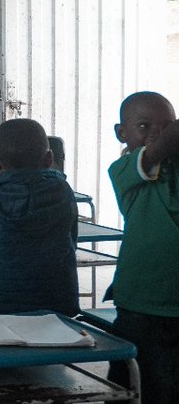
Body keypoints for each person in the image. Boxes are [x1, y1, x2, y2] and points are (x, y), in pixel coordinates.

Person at [106, 91, 179, 403]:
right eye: (144, 126)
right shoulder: (124, 169)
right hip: (140, 304)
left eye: (164, 125)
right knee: (132, 387)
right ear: (121, 133)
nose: (155, 133)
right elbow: (159, 148)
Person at [0, 118, 78, 316]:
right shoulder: (63, 190)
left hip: (4, 303)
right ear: (49, 158)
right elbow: (72, 241)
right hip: (59, 301)